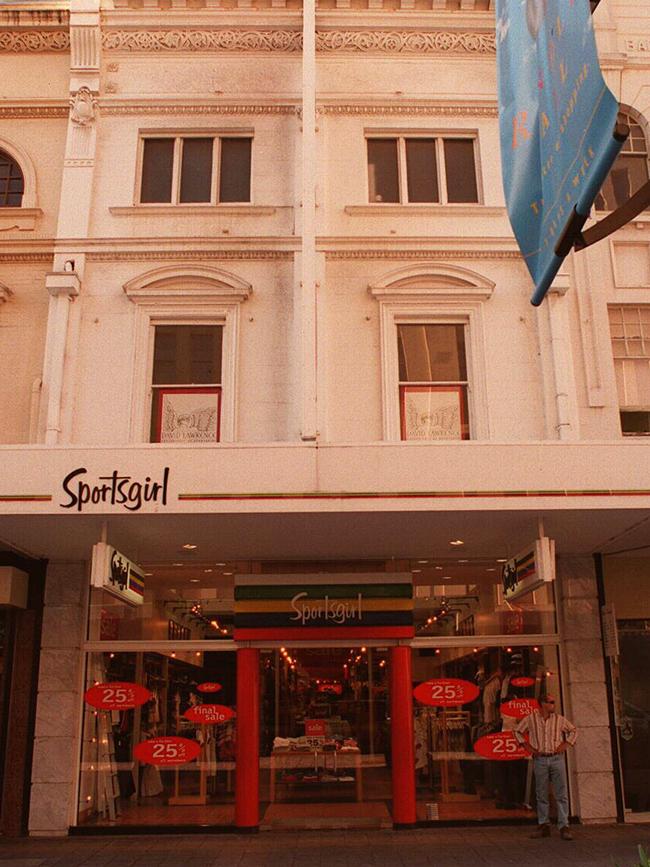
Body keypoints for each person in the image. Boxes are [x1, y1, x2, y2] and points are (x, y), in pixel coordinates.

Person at [515, 694, 577, 840]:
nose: (553, 705)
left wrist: (566, 744)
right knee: (541, 793)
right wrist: (528, 746)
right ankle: (544, 825)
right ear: (542, 704)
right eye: (550, 702)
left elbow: (573, 730)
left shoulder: (559, 719)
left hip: (556, 758)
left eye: (553, 702)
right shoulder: (531, 719)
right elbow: (517, 731)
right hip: (541, 758)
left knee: (561, 793)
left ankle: (564, 825)